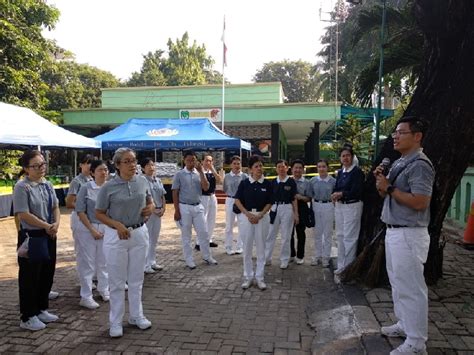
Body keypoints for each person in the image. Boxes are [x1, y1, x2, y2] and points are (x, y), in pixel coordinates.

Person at [375, 117, 434, 355]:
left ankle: (417, 342)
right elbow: (389, 195)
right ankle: (405, 324)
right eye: (394, 134)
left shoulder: (420, 164)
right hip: (394, 231)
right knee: (398, 284)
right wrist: (382, 185)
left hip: (409, 233)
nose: (395, 137)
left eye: (401, 132)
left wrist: (389, 187)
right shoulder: (401, 162)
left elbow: (420, 202)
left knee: (411, 288)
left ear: (417, 136)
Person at [95, 148, 155, 338]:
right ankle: (115, 322)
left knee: (137, 279)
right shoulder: (108, 187)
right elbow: (99, 213)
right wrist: (116, 225)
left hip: (139, 233)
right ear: (118, 165)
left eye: (134, 161)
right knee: (117, 282)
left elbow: (149, 199)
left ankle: (137, 316)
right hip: (116, 237)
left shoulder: (142, 180)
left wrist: (151, 207)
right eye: (127, 161)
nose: (132, 165)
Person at [13, 150, 60, 331]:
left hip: (49, 234)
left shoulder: (47, 184)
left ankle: (41, 308)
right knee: (30, 277)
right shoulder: (22, 187)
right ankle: (28, 316)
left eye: (43, 164)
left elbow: (56, 206)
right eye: (36, 165)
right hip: (32, 237)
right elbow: (23, 213)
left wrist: (55, 223)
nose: (41, 168)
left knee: (46, 274)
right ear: (26, 168)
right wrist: (46, 226)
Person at [172, 150, 217, 269]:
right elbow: (175, 192)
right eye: (188, 160)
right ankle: (189, 259)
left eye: (193, 160)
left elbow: (206, 187)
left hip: (198, 205)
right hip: (184, 206)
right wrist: (176, 210)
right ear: (184, 161)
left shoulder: (199, 173)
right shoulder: (179, 174)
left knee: (204, 232)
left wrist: (201, 172)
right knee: (186, 235)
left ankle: (207, 256)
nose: (191, 162)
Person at [75, 159, 110, 309]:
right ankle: (86, 295)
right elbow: (80, 211)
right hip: (87, 228)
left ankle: (104, 288)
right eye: (100, 170)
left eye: (106, 170)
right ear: (92, 172)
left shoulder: (110, 188)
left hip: (106, 227)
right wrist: (92, 229)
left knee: (104, 261)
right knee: (87, 263)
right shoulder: (86, 188)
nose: (104, 173)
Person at [234, 155, 272, 290]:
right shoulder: (244, 183)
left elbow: (269, 202)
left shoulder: (267, 183)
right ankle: (248, 277)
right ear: (250, 169)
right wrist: (247, 214)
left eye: (261, 166)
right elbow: (237, 200)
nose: (259, 168)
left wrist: (260, 215)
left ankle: (260, 278)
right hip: (247, 217)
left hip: (262, 217)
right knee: (247, 248)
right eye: (256, 166)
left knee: (261, 248)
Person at [331, 146, 364, 280]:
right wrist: (334, 194)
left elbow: (357, 190)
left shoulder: (357, 172)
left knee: (350, 237)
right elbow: (337, 187)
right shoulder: (340, 172)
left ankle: (348, 269)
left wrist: (342, 194)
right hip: (340, 206)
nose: (345, 158)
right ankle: (341, 266)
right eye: (343, 156)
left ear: (352, 157)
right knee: (340, 235)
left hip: (352, 205)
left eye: (348, 155)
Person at [66, 154, 95, 295]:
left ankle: (91, 280)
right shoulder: (77, 181)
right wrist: (83, 205)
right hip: (79, 218)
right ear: (81, 165)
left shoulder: (93, 180)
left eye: (92, 164)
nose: (90, 166)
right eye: (87, 163)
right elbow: (69, 202)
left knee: (93, 253)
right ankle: (85, 284)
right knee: (83, 254)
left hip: (91, 219)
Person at [264, 159, 299, 269]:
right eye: (279, 167)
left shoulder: (291, 181)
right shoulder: (273, 182)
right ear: (276, 169)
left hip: (287, 208)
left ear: (287, 168)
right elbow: (269, 198)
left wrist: (296, 213)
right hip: (274, 208)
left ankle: (284, 259)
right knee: (270, 235)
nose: (281, 169)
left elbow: (294, 199)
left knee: (286, 236)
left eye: (283, 167)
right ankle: (267, 258)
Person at [140, 157, 166, 274]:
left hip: (158, 213)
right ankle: (145, 264)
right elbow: (145, 199)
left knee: (154, 239)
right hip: (149, 213)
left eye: (153, 165)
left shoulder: (158, 180)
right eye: (148, 165)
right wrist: (154, 210)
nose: (151, 167)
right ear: (143, 168)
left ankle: (152, 261)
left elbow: (162, 196)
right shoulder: (142, 181)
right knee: (147, 239)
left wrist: (164, 208)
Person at [308, 159, 336, 267]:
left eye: (323, 166)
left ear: (327, 168)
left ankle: (326, 257)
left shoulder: (333, 181)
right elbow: (310, 194)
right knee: (317, 232)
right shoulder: (313, 181)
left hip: (329, 205)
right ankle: (317, 255)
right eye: (319, 167)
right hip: (316, 205)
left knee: (327, 233)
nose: (321, 169)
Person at [223, 155, 248, 255]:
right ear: (231, 165)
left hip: (242, 202)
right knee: (229, 225)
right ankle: (228, 247)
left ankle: (240, 246)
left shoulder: (245, 176)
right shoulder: (227, 177)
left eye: (238, 163)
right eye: (234, 163)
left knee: (242, 224)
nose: (237, 166)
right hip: (230, 200)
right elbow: (225, 189)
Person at [196, 154, 221, 250]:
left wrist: (213, 169)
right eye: (206, 160)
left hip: (212, 196)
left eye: (210, 161)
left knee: (212, 218)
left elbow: (219, 180)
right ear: (202, 161)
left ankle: (209, 239)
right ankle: (199, 241)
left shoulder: (212, 171)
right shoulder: (199, 172)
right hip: (203, 196)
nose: (208, 163)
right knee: (203, 219)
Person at [289, 159, 311, 265]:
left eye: (300, 168)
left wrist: (300, 197)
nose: (297, 170)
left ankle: (300, 255)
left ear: (303, 170)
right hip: (289, 208)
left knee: (300, 232)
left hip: (302, 208)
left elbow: (309, 198)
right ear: (291, 169)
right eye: (295, 168)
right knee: (289, 232)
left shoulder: (307, 182)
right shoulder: (287, 181)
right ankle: (291, 254)